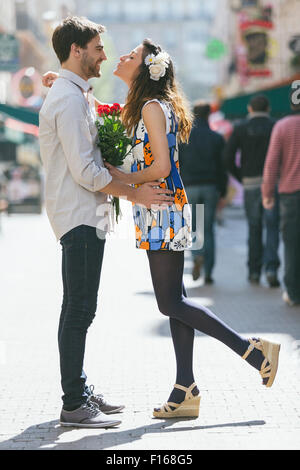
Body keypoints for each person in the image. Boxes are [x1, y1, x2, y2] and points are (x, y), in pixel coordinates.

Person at [103, 39, 281, 418]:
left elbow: (162, 167)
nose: (121, 57)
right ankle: (186, 388)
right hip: (162, 207)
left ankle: (253, 351)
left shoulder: (152, 107)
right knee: (176, 300)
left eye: (131, 55)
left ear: (148, 68)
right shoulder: (150, 106)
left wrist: (121, 176)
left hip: (163, 206)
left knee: (170, 302)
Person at [39, 17, 174, 429]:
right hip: (78, 214)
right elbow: (85, 171)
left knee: (80, 308)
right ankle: (74, 403)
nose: (104, 55)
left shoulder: (72, 93)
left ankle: (77, 389)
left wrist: (58, 79)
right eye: (97, 47)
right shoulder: (67, 98)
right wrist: (134, 193)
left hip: (86, 213)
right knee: (79, 309)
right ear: (77, 50)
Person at [224, 95, 280, 287]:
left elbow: (228, 157)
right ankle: (271, 267)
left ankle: (254, 271)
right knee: (272, 227)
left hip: (250, 184)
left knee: (254, 228)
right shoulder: (275, 126)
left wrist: (241, 177)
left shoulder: (240, 128)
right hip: (273, 184)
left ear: (249, 109)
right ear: (268, 108)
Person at [178, 102, 227, 283]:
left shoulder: (183, 138)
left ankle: (197, 255)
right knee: (209, 229)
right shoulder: (216, 138)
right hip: (210, 186)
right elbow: (223, 168)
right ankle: (208, 273)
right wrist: (222, 191)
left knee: (194, 227)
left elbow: (178, 164)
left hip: (190, 186)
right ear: (209, 115)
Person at [262, 94, 300, 306]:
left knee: (292, 244)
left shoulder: (283, 126)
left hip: (291, 195)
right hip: (290, 194)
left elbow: (272, 163)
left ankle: (294, 293)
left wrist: (267, 193)